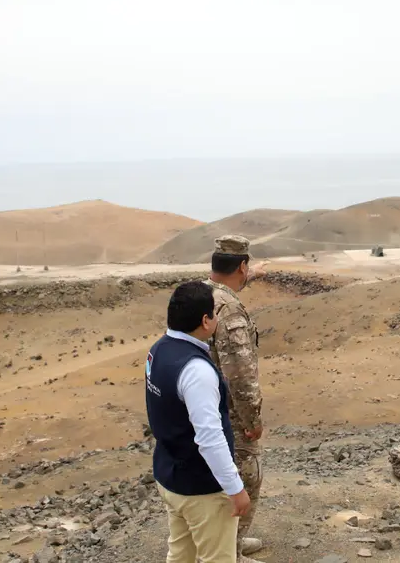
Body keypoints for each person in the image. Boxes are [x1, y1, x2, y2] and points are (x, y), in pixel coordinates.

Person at [145, 281, 251, 563]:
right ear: (205, 321)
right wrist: (235, 489)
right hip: (201, 488)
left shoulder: (158, 351)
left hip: (170, 476)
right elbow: (209, 438)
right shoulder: (196, 371)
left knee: (181, 555)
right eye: (214, 314)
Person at [204, 235, 267, 562]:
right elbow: (239, 374)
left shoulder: (201, 294)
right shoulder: (228, 309)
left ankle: (231, 545)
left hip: (203, 411)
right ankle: (229, 552)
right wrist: (252, 420)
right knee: (244, 478)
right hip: (228, 417)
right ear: (242, 266)